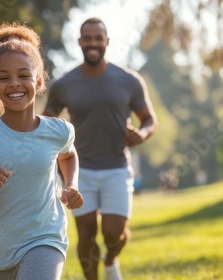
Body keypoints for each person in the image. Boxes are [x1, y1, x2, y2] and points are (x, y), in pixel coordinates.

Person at [0, 22, 84, 280]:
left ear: (38, 80)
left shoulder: (58, 130)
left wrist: (70, 184)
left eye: (23, 75)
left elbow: (68, 155)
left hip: (46, 237)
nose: (15, 84)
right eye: (4, 78)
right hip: (0, 247)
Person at [43, 18, 158, 280]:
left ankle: (110, 259)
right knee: (85, 233)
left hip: (117, 167)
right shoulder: (63, 84)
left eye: (98, 38)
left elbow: (149, 119)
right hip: (78, 170)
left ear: (106, 42)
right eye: (88, 38)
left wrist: (142, 133)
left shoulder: (129, 80)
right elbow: (46, 124)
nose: (93, 43)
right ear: (80, 42)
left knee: (113, 233)